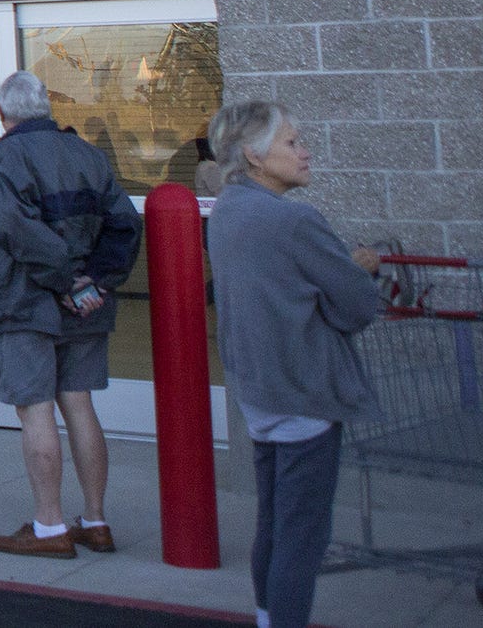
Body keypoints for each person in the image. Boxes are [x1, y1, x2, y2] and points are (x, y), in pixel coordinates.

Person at [206, 100, 384, 628]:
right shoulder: (295, 220)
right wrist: (359, 269)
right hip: (304, 392)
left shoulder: (228, 210)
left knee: (274, 521)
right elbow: (357, 306)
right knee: (302, 536)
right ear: (252, 156)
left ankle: (267, 616)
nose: (305, 151)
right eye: (291, 142)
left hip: (258, 390)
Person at [0, 69, 142, 558]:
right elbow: (125, 225)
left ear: (2, 113)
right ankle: (95, 521)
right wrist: (94, 282)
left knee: (36, 410)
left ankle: (49, 528)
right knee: (79, 405)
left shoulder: (0, 161)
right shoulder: (89, 155)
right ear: (47, 106)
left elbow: (17, 232)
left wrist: (68, 282)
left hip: (22, 306)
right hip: (83, 306)